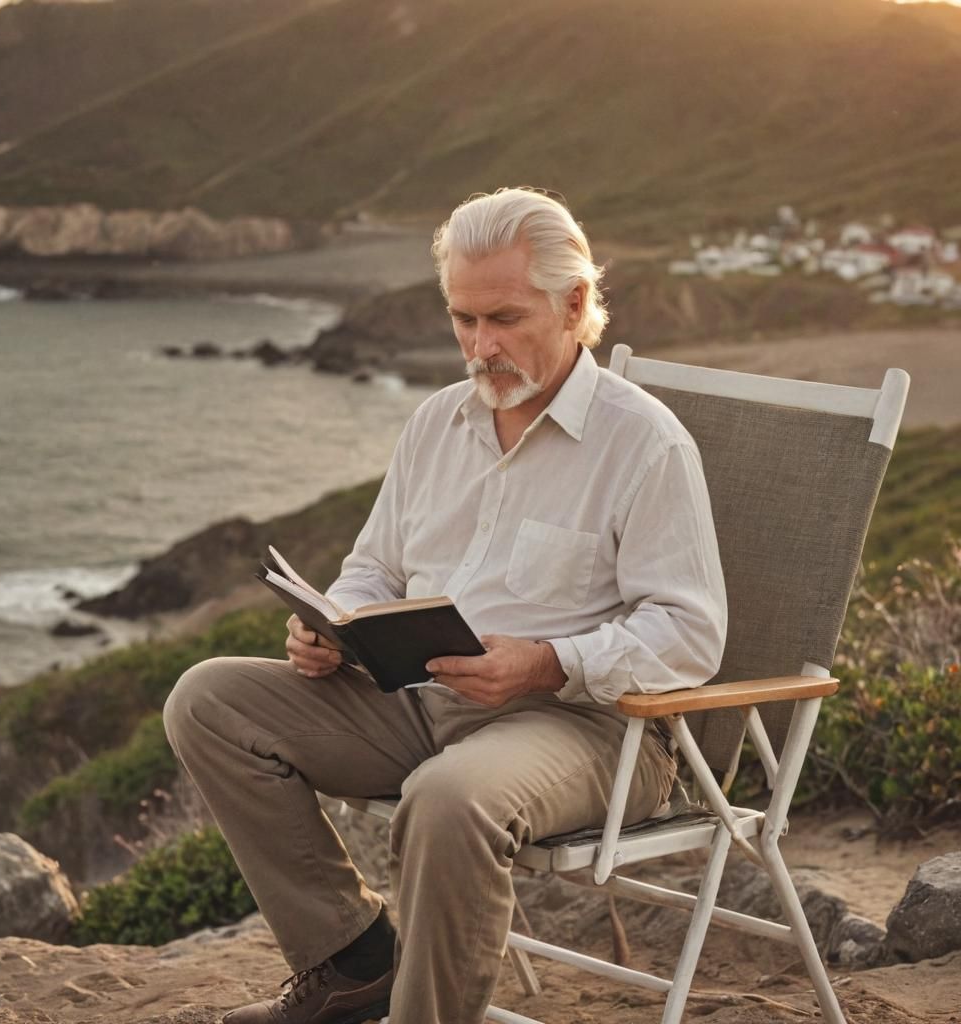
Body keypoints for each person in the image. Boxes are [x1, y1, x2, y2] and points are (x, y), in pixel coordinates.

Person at [163, 187, 727, 1024]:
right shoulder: (437, 422)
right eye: (462, 319)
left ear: (575, 304)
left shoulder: (644, 445)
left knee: (448, 796)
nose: (479, 345)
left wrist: (545, 662)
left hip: (584, 728)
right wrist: (331, 625)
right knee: (207, 700)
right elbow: (374, 568)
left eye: (502, 318)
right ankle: (352, 965)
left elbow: (690, 634)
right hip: (418, 700)